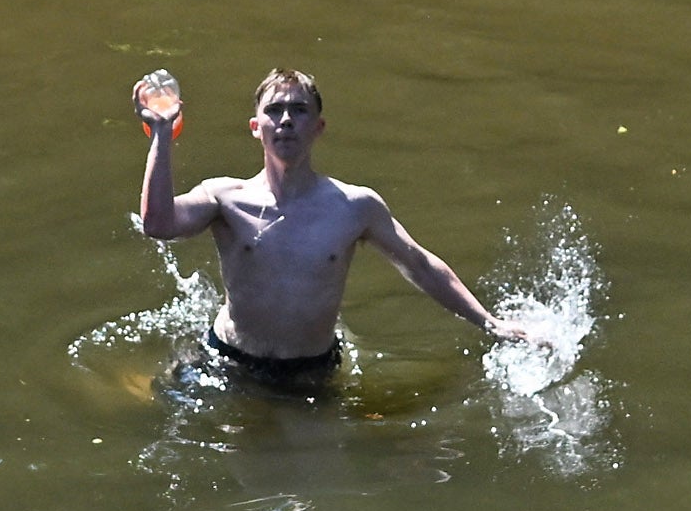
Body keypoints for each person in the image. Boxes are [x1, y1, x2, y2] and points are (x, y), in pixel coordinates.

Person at [131, 67, 510, 389]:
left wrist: (492, 325)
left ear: (318, 126)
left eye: (299, 110)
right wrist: (163, 134)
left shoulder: (354, 206)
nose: (286, 121)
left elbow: (421, 266)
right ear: (255, 127)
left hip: (310, 373)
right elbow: (158, 224)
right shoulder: (225, 198)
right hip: (228, 362)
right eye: (274, 110)